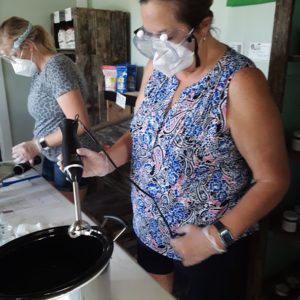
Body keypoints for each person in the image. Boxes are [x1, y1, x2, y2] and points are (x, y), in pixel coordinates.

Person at [60, 0, 289, 299]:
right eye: (148, 35)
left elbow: (273, 180)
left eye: (167, 36)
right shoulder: (158, 65)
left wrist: (213, 238)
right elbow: (141, 129)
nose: (158, 47)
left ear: (203, 26)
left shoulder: (240, 83)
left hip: (207, 241)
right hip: (148, 226)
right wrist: (107, 161)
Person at [0, 16, 97, 202]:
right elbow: (51, 119)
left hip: (69, 156)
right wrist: (35, 146)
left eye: (11, 55)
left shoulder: (57, 69)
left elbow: (80, 124)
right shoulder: (40, 70)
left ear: (28, 45)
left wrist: (37, 145)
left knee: (67, 217)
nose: (11, 62)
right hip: (51, 154)